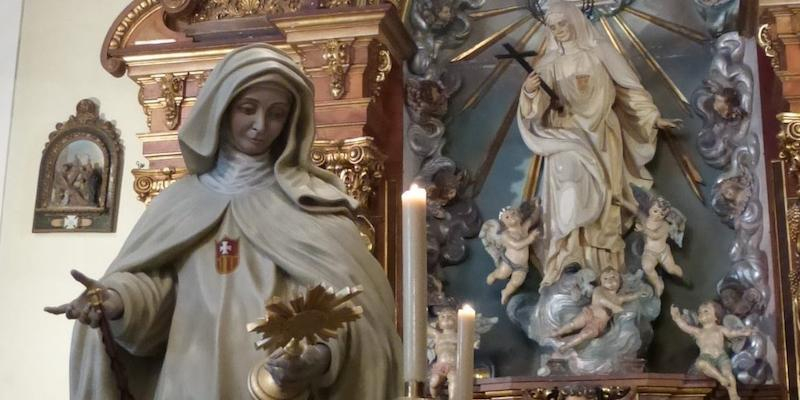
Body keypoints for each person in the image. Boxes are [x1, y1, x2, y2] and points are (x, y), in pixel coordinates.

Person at [45, 44, 401, 399]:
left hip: (273, 389)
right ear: (222, 108)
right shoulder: (179, 202)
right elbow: (158, 291)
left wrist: (320, 356)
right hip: (187, 384)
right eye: (248, 109)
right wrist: (116, 300)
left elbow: (353, 314)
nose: (261, 126)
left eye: (276, 114)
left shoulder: (309, 204)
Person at [517, 1, 680, 287]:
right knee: (570, 192)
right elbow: (536, 109)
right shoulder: (548, 64)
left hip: (602, 136)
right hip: (565, 139)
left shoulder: (600, 52)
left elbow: (630, 88)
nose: (559, 30)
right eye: (552, 27)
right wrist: (530, 94)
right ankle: (567, 259)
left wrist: (651, 118)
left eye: (562, 24)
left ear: (575, 22)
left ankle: (604, 269)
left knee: (605, 202)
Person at [671, 302, 754, 400]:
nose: (701, 313)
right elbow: (685, 327)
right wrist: (676, 318)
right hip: (706, 357)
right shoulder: (698, 332)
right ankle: (720, 378)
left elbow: (731, 333)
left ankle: (734, 395)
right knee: (700, 364)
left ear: (716, 317)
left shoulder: (720, 329)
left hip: (721, 356)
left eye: (706, 311)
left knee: (729, 374)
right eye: (699, 312)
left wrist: (743, 332)